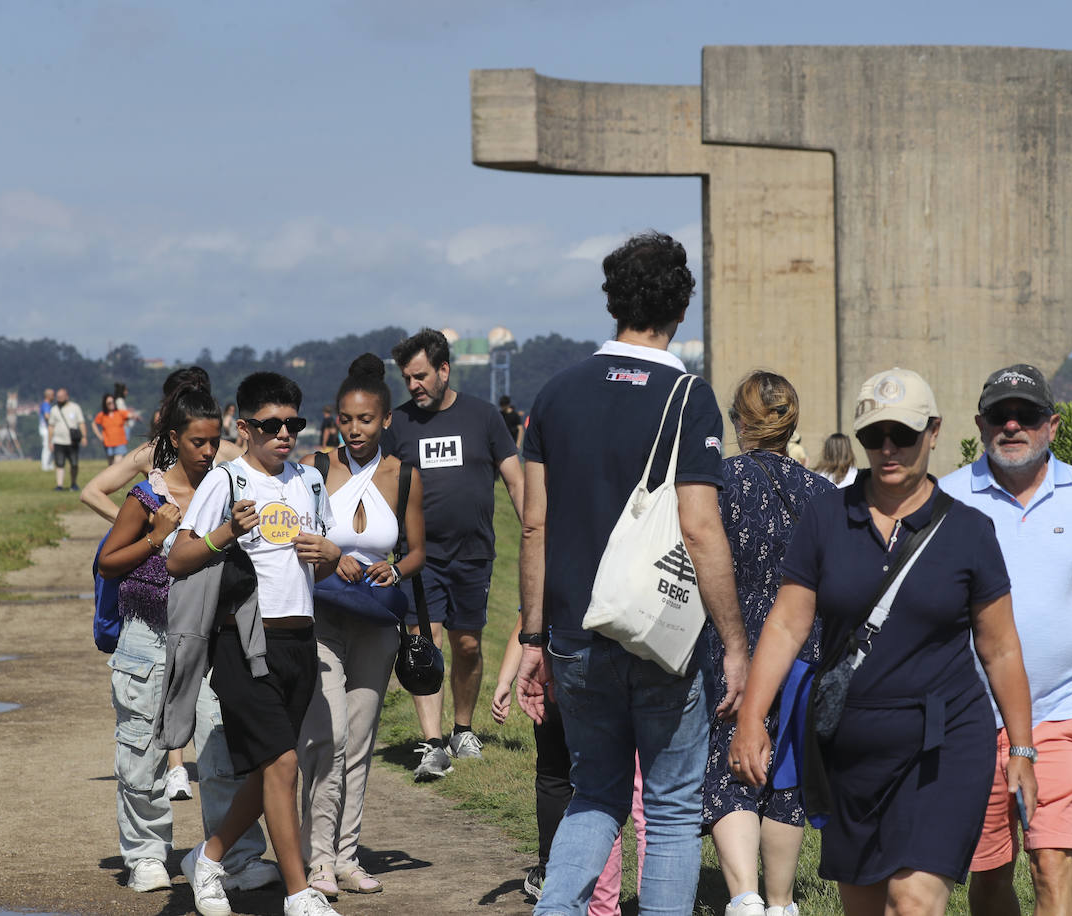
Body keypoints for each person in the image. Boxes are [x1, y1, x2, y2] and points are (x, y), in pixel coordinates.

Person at [730, 367, 1038, 916]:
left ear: (934, 431)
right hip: (851, 745)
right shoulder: (827, 517)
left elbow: (1001, 648)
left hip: (944, 742)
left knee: (913, 902)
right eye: (874, 436)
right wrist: (752, 718)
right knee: (867, 907)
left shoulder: (969, 532)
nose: (889, 448)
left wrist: (1020, 748)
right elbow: (786, 624)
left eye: (904, 434)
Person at [514, 231, 750, 916]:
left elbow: (534, 524)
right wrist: (734, 643)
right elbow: (700, 526)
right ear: (681, 307)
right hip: (661, 640)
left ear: (613, 301)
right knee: (673, 812)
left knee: (596, 794)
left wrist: (533, 639)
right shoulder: (687, 395)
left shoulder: (555, 395)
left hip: (576, 637)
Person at [939, 364, 1072, 916]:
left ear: (1051, 424)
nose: (1012, 425)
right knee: (989, 871)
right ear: (979, 425)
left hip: (1059, 711)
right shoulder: (947, 499)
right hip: (971, 717)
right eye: (999, 416)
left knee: (1051, 863)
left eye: (1025, 415)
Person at [168, 371, 343, 916]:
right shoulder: (226, 482)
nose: (284, 434)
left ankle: (209, 856)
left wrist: (334, 558)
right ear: (244, 428)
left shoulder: (309, 481)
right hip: (243, 641)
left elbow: (331, 554)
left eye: (294, 422)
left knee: (272, 767)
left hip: (300, 640)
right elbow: (178, 559)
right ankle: (299, 894)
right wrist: (226, 534)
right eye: (271, 425)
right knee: (284, 762)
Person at [98, 380, 278, 896]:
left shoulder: (228, 489)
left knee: (222, 746)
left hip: (212, 638)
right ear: (174, 439)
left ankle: (235, 855)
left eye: (214, 442)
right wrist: (155, 537)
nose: (207, 453)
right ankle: (148, 854)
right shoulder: (148, 494)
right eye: (197, 442)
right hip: (149, 636)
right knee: (142, 749)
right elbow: (110, 562)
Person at [297, 355, 426, 898]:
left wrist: (393, 567)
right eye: (347, 419)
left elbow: (419, 551)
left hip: (377, 624)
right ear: (336, 419)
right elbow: (291, 539)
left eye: (366, 420)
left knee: (361, 737)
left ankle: (346, 857)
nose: (355, 430)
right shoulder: (313, 469)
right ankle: (317, 860)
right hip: (320, 618)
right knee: (325, 737)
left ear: (386, 420)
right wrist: (330, 553)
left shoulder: (405, 476)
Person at [705, 371, 834, 916]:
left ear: (739, 423)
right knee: (786, 777)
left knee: (731, 765)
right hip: (805, 650)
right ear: (792, 425)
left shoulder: (717, 481)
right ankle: (781, 903)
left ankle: (744, 897)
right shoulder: (824, 494)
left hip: (730, 647)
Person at [384, 328, 524, 777]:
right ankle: (433, 742)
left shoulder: (484, 417)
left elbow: (515, 479)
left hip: (473, 553)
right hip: (419, 557)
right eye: (407, 378)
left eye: (421, 375)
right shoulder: (399, 424)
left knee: (467, 644)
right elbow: (378, 481)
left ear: (444, 370)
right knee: (426, 643)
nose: (413, 386)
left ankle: (463, 728)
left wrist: (534, 533)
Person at [493, 615, 647, 913]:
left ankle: (601, 908)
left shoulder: (556, 568)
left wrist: (506, 679)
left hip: (573, 667)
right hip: (643, 663)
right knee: (645, 807)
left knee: (598, 800)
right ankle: (649, 906)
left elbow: (528, 616)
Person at [81, 368, 245, 524]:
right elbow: (91, 492)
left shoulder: (152, 451)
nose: (208, 451)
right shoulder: (153, 451)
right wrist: (137, 526)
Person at [48, 387, 87, 491]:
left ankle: (73, 483)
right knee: (59, 464)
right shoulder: (54, 410)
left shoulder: (75, 408)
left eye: (61, 397)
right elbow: (51, 426)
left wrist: (84, 436)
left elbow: (81, 423)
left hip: (72, 441)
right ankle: (59, 485)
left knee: (74, 463)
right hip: (58, 441)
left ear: (66, 396)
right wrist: (50, 441)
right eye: (58, 397)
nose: (59, 399)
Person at [94, 393, 133, 465]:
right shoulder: (102, 415)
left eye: (113, 402)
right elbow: (94, 424)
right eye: (109, 403)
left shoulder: (120, 412)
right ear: (105, 404)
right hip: (108, 443)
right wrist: (99, 436)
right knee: (111, 465)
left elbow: (130, 415)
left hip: (120, 442)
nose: (112, 404)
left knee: (117, 464)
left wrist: (131, 414)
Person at [39, 388, 55, 471]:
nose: (54, 397)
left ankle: (49, 464)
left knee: (50, 447)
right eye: (53, 395)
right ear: (48, 396)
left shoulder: (46, 404)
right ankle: (45, 466)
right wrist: (55, 422)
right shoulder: (46, 405)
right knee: (47, 447)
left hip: (46, 428)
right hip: (46, 428)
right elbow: (47, 416)